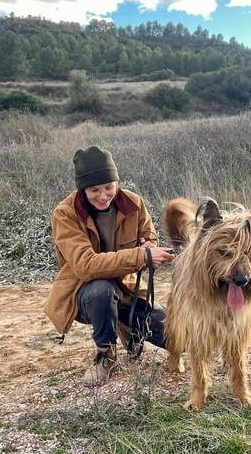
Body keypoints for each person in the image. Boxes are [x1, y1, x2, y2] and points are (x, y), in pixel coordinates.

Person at [43, 146, 175, 387]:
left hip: (127, 289)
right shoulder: (65, 214)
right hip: (83, 293)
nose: (103, 195)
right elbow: (86, 266)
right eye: (94, 190)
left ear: (117, 182)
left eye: (108, 187)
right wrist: (142, 256)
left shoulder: (133, 202)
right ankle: (106, 354)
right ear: (82, 189)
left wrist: (149, 244)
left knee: (176, 338)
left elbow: (148, 235)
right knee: (101, 290)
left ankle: (127, 327)